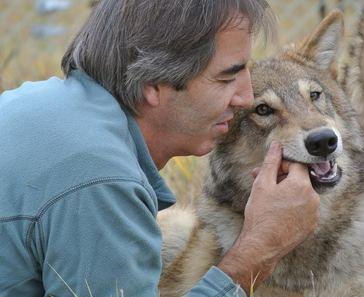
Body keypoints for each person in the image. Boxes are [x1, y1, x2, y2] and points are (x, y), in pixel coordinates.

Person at [0, 0, 320, 296]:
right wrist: (259, 248)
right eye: (226, 79)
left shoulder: (42, 107)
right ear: (153, 84)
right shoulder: (101, 178)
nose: (246, 98)